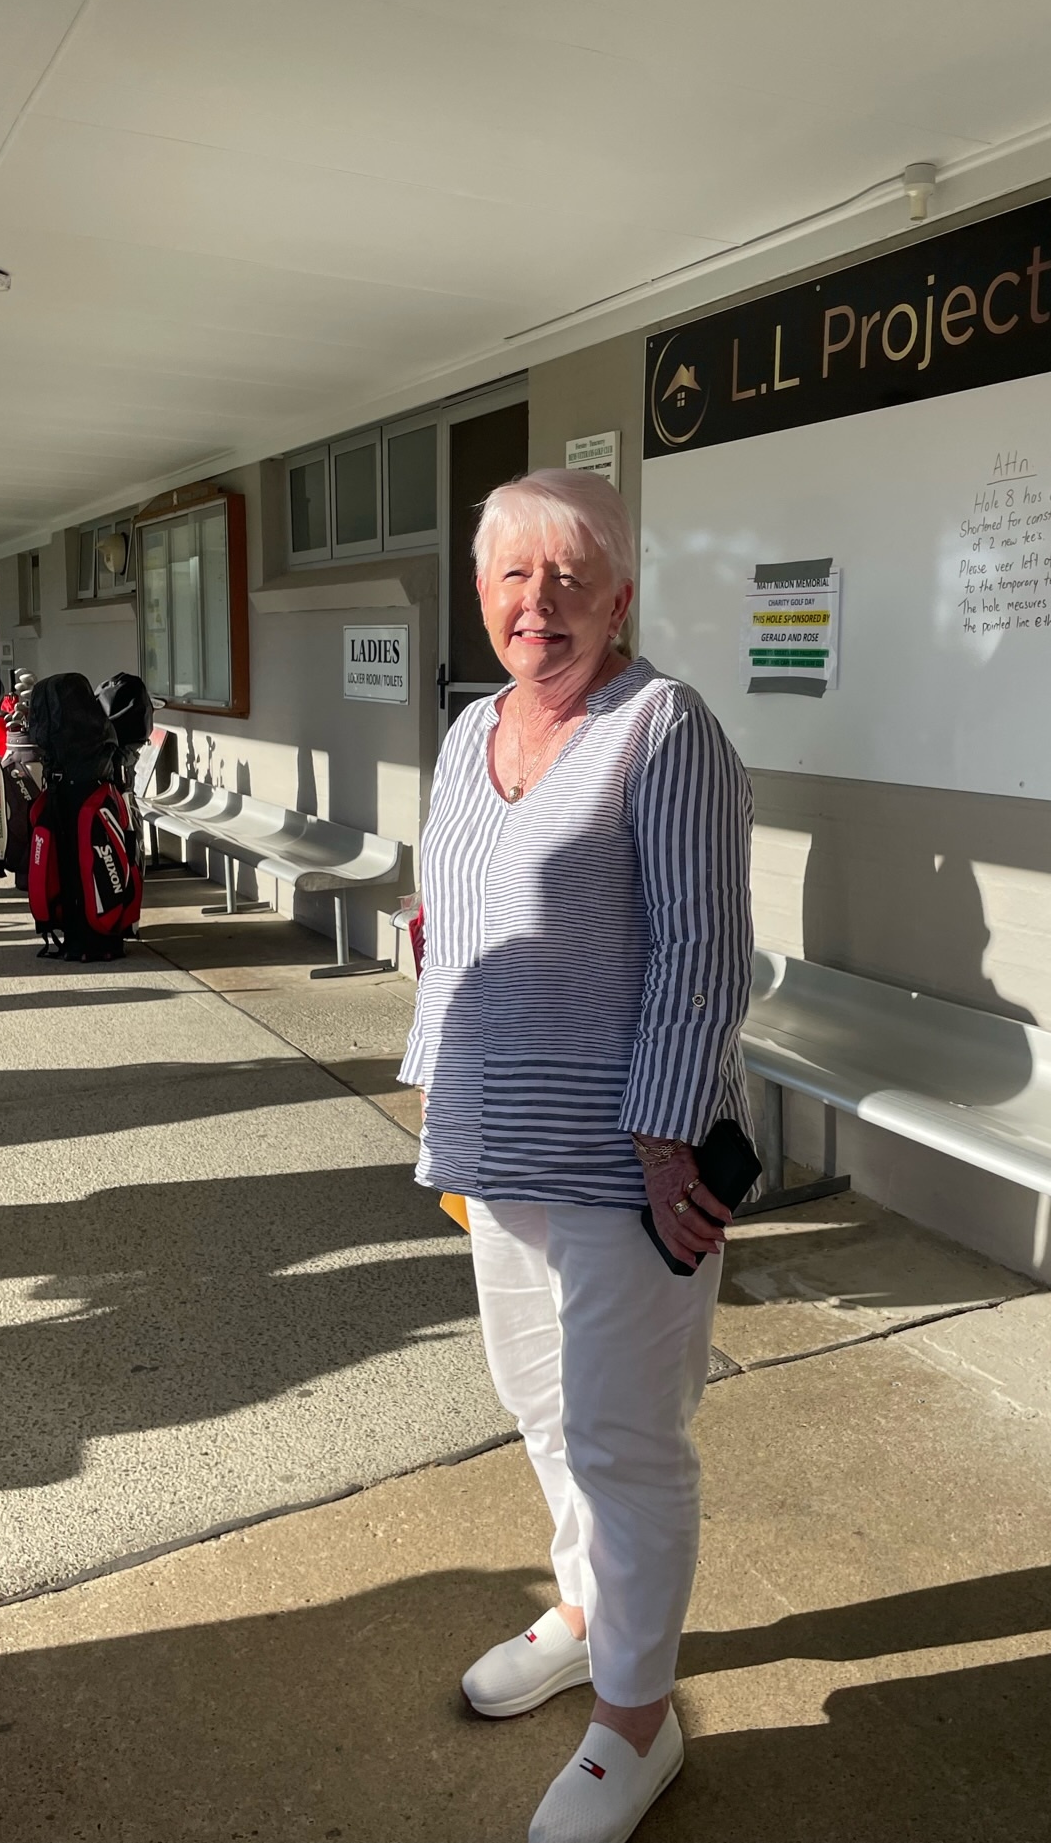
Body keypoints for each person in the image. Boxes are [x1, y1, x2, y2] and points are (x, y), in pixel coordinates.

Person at [399, 469, 753, 1843]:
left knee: (625, 1433)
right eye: (512, 575)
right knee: (539, 1402)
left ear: (619, 598)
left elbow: (704, 953)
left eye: (569, 576)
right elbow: (446, 919)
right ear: (481, 593)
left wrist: (667, 1143)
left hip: (626, 1155)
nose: (537, 601)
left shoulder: (664, 728)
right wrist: (438, 1098)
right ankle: (590, 1608)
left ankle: (638, 1718)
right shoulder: (468, 731)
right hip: (500, 1140)